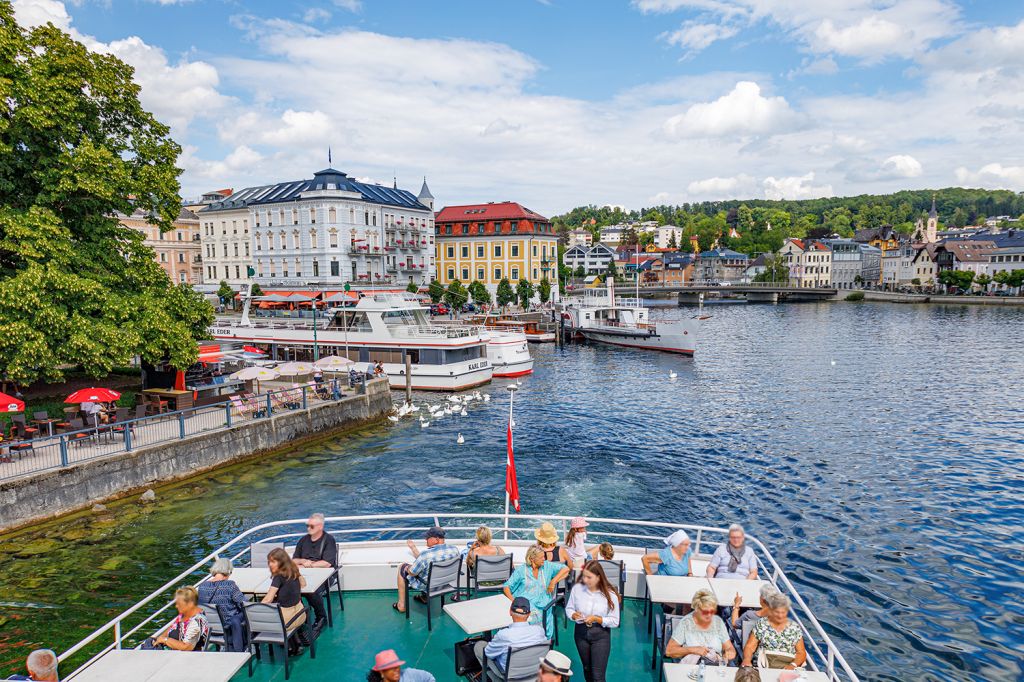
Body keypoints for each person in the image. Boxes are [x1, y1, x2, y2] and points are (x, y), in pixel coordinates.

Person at [565, 560, 620, 682]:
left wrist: (597, 619)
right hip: (580, 633)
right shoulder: (577, 589)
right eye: (584, 576)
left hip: (601, 635)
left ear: (598, 577)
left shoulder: (611, 595)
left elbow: (615, 621)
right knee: (587, 669)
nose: (585, 580)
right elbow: (569, 608)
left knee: (598, 676)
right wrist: (573, 615)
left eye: (589, 577)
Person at [502, 545, 570, 638]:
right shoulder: (522, 570)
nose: (544, 559)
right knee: (533, 618)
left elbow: (566, 569)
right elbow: (506, 586)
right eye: (541, 557)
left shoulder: (547, 566)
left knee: (542, 618)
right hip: (526, 605)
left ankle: (541, 641)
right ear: (532, 558)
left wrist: (553, 581)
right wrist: (513, 601)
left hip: (544, 605)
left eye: (544, 556)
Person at [393, 527, 461, 613]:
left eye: (428, 538)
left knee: (402, 567)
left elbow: (412, 573)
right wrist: (413, 548)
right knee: (426, 570)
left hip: (429, 585)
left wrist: (407, 567)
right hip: (445, 583)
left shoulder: (426, 555)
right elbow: (427, 560)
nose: (426, 539)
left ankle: (401, 605)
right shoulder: (454, 549)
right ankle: (424, 598)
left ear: (436, 539)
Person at [473, 597, 547, 674]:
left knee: (479, 646)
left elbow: (488, 653)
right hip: (534, 673)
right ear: (528, 614)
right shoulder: (539, 631)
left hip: (511, 676)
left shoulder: (503, 635)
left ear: (510, 612)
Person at [292, 513, 338, 632]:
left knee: (312, 590)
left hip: (326, 576)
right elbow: (294, 560)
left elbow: (327, 563)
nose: (308, 528)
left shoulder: (329, 540)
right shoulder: (303, 540)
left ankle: (321, 617)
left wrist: (310, 564)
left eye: (311, 526)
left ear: (320, 526)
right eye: (308, 525)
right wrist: (303, 561)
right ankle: (301, 616)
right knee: (290, 587)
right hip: (305, 574)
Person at [665, 588, 736, 665]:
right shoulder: (686, 623)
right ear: (697, 609)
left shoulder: (718, 622)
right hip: (693, 666)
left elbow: (729, 647)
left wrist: (729, 653)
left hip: (715, 664)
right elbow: (669, 651)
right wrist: (693, 650)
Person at [741, 592, 807, 670]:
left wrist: (793, 665)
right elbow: (750, 646)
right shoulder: (762, 624)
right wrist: (747, 659)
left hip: (788, 664)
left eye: (783, 613)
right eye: (777, 612)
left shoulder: (794, 627)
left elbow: (801, 652)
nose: (780, 616)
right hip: (765, 664)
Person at [197, 557, 248, 652]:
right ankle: (243, 645)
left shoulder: (202, 586)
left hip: (210, 625)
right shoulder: (230, 585)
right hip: (227, 624)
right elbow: (244, 604)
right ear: (227, 571)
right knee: (245, 613)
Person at [262, 547, 307, 643]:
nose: (270, 564)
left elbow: (268, 599)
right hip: (300, 615)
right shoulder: (294, 571)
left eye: (273, 562)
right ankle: (295, 640)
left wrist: (256, 609)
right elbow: (303, 584)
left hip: (286, 621)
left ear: (281, 562)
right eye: (269, 562)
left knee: (255, 615)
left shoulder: (278, 577)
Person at [151, 586, 211, 651]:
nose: (176, 606)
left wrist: (165, 640)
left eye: (179, 603)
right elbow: (172, 628)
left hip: (189, 657)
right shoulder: (183, 616)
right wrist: (159, 639)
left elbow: (187, 647)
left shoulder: (197, 621)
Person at [729, 583, 780, 649]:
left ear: (762, 599)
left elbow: (734, 624)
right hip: (766, 648)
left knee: (730, 620)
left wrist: (736, 605)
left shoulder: (750, 615)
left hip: (750, 647)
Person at [366, 649, 436, 681]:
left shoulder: (409, 674)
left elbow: (429, 677)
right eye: (392, 668)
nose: (397, 670)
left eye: (397, 666)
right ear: (381, 672)